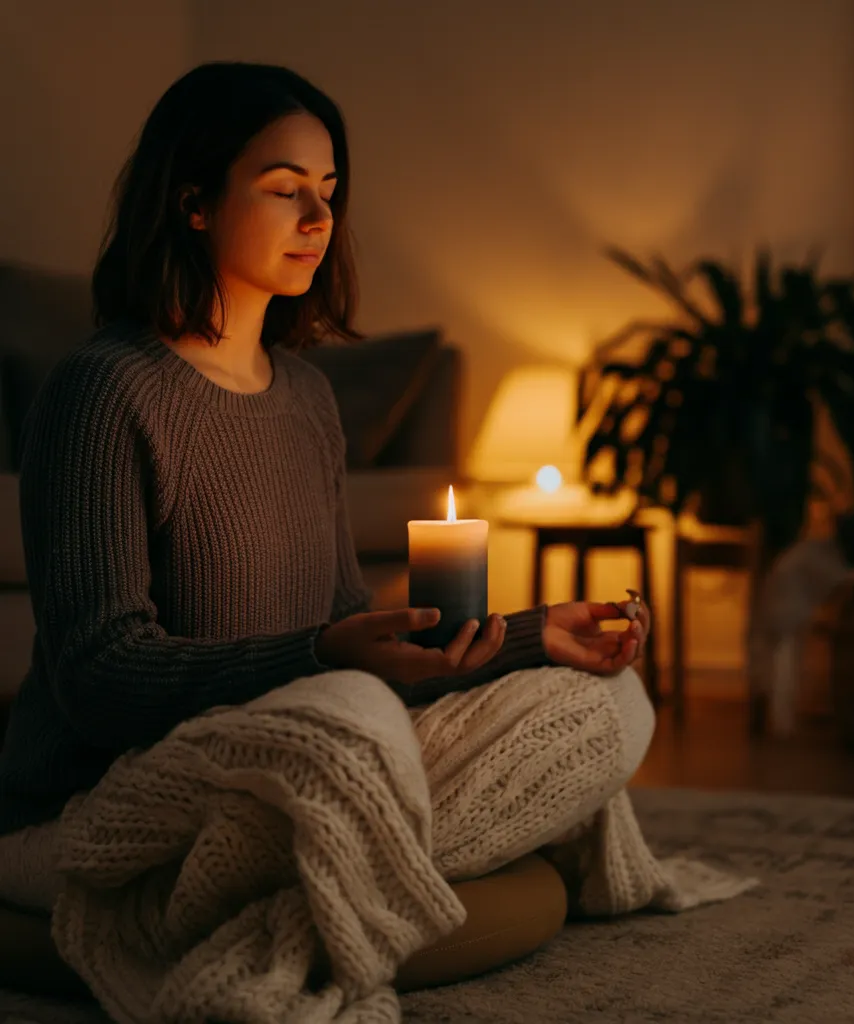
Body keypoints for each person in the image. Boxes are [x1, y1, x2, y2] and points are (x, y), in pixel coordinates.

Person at [0, 62, 654, 914]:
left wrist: (534, 638)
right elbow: (100, 676)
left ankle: (338, 859)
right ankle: (356, 857)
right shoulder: (104, 391)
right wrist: (324, 662)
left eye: (329, 191)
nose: (319, 219)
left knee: (608, 704)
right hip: (107, 799)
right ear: (193, 202)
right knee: (350, 725)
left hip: (301, 758)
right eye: (284, 190)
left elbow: (349, 626)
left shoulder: (307, 396)